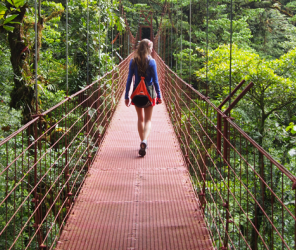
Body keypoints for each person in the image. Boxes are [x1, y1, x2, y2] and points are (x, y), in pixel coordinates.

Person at [124, 39, 162, 156]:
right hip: (149, 95)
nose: (152, 50)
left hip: (136, 94)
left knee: (140, 119)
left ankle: (142, 143)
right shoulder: (152, 62)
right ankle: (144, 141)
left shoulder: (133, 61)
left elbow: (129, 80)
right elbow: (155, 81)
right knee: (148, 120)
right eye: (151, 48)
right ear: (147, 48)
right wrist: (159, 96)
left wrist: (126, 96)